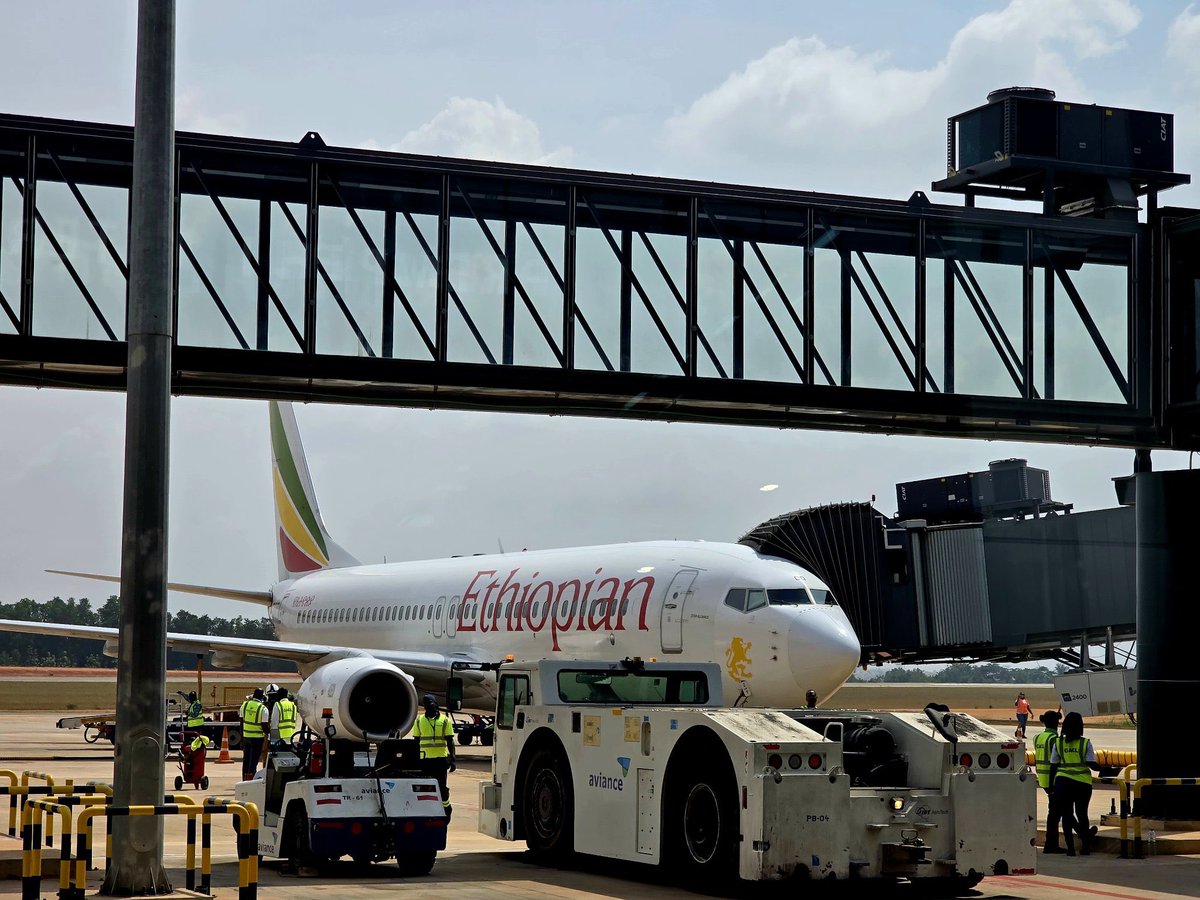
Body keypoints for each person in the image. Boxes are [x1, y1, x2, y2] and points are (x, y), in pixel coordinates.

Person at [1050, 711, 1100, 856]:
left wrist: (1051, 786)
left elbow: (1054, 765)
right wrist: (1105, 769)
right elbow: (1092, 763)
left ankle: (1070, 849)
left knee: (1067, 815)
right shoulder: (1085, 743)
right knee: (1082, 814)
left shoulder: (1058, 743)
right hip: (1082, 784)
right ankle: (1085, 846)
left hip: (1063, 782)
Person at [411, 693, 456, 818]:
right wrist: (414, 759)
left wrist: (452, 759)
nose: (429, 706)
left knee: (442, 787)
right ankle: (427, 810)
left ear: (435, 704)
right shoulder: (419, 720)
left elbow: (450, 741)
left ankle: (446, 808)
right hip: (425, 760)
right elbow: (416, 741)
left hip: (440, 760)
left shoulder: (445, 720)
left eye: (430, 703)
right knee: (425, 787)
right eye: (426, 704)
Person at [1033, 710, 1064, 853]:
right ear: (1055, 723)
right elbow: (1055, 762)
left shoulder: (1037, 737)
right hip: (1053, 780)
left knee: (1057, 811)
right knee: (1055, 814)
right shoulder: (1053, 739)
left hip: (1043, 779)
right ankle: (1051, 844)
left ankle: (1051, 844)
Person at [238, 687, 269, 780]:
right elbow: (264, 726)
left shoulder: (245, 705)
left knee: (246, 761)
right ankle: (251, 780)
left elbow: (241, 722)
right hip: (257, 739)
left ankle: (244, 779)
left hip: (246, 737)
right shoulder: (263, 709)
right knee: (253, 762)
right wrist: (269, 733)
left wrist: (241, 738)